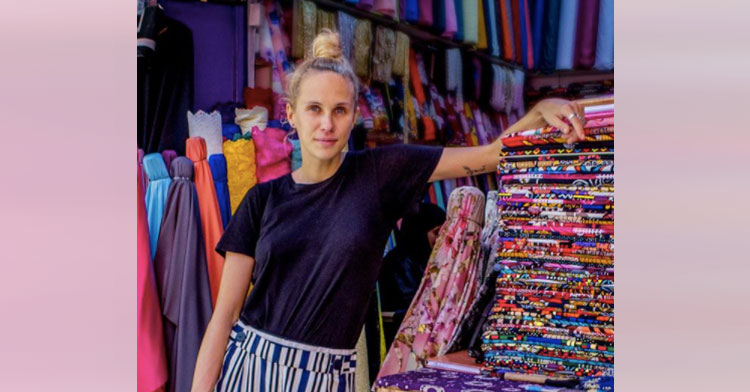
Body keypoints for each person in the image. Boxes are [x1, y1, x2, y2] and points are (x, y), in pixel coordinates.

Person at [191, 29, 586, 392]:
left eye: (339, 110)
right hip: (249, 367)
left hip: (327, 377)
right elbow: (224, 317)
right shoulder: (262, 201)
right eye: (314, 109)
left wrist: (538, 112)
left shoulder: (381, 175)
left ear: (353, 115)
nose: (326, 124)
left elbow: (488, 156)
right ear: (291, 114)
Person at [379, 202, 446, 348]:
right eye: (436, 232)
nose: (441, 238)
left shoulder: (431, 259)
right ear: (419, 232)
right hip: (404, 344)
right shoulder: (398, 263)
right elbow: (415, 305)